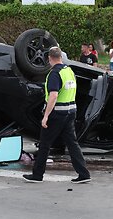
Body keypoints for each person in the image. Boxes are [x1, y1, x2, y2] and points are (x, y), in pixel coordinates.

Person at [23, 46, 91, 184]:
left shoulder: (54, 74)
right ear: (61, 57)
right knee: (72, 144)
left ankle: (37, 175)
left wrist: (46, 115)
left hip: (57, 114)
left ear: (49, 58)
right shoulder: (69, 71)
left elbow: (53, 96)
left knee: (45, 144)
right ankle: (84, 173)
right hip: (71, 111)